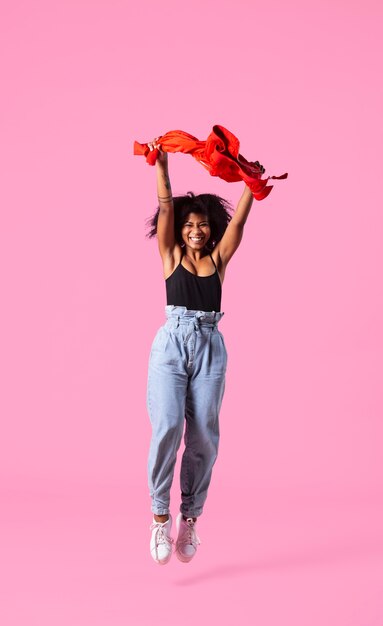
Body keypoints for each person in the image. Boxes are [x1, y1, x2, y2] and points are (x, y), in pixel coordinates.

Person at [146, 138, 262, 565]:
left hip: (211, 347)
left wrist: (252, 182)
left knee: (204, 439)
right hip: (172, 344)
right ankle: (160, 516)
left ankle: (189, 517)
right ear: (180, 230)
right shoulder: (170, 254)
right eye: (189, 224)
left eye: (203, 225)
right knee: (168, 428)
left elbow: (240, 226)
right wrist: (161, 167)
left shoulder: (219, 261)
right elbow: (164, 207)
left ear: (210, 227)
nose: (197, 230)